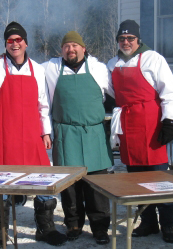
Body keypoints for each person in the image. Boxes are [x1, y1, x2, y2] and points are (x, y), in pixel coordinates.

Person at [0, 21, 67, 247]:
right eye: (10, 40)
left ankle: (45, 228)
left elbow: (43, 105)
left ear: (25, 42)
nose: (15, 44)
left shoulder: (38, 69)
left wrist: (46, 132)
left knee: (42, 181)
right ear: (6, 44)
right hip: (2, 138)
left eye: (18, 40)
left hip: (32, 138)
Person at [107, 19, 173, 243]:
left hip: (151, 124)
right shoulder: (112, 64)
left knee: (159, 176)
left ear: (138, 40)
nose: (126, 42)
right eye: (122, 38)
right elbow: (110, 93)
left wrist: (169, 121)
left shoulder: (153, 59)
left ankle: (167, 223)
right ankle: (148, 222)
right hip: (128, 126)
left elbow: (170, 91)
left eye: (130, 38)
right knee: (136, 177)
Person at [43, 31, 113, 245]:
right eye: (66, 46)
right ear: (61, 50)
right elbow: (25, 68)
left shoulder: (99, 69)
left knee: (96, 185)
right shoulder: (51, 68)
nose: (70, 49)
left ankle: (100, 227)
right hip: (66, 134)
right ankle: (73, 223)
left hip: (94, 133)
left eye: (75, 45)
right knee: (70, 186)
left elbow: (118, 92)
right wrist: (3, 57)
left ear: (84, 48)